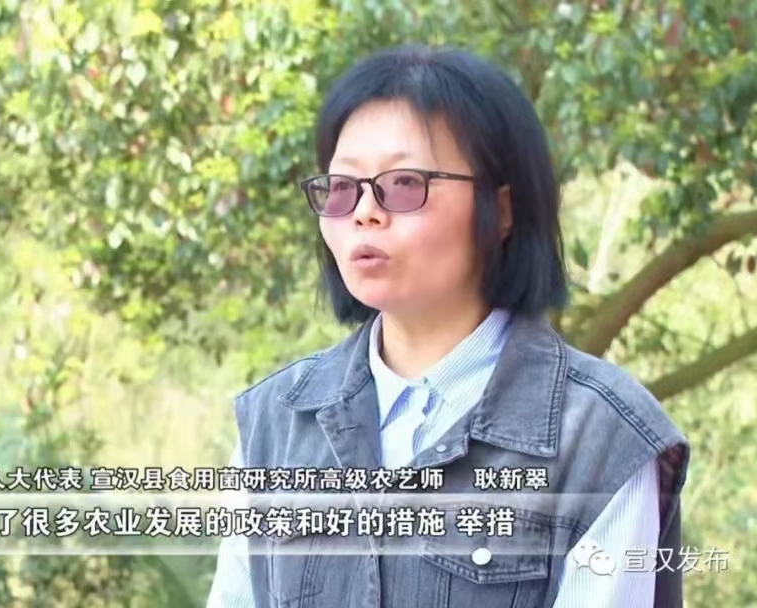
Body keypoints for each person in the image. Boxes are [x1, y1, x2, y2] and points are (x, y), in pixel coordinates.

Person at [206, 44, 689, 608]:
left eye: (404, 184)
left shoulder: (601, 434)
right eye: (341, 187)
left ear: (502, 209)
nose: (364, 212)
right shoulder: (277, 420)